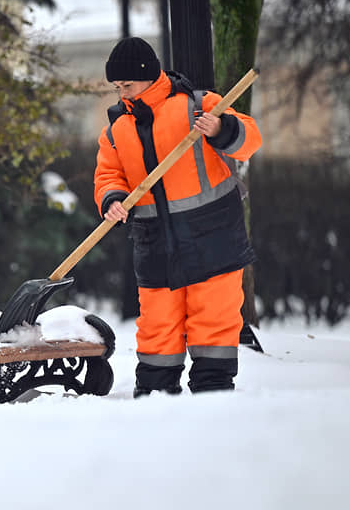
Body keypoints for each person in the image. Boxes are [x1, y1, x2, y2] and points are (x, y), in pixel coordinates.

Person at [94, 37, 262, 397]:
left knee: (213, 318)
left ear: (148, 75)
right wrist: (112, 199)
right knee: (158, 323)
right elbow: (109, 174)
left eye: (127, 84)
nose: (122, 92)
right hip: (155, 242)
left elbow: (251, 140)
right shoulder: (116, 129)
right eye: (117, 87)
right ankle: (154, 391)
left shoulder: (200, 105)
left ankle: (213, 390)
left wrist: (220, 130)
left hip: (213, 234)